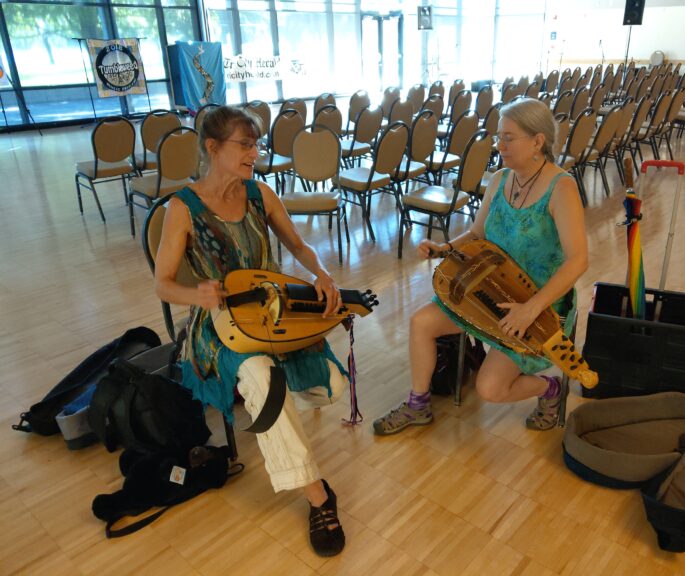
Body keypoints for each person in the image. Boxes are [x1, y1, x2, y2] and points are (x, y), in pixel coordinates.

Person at [154, 106, 346, 557]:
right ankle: (318, 497)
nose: (255, 153)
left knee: (332, 389)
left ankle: (269, 406)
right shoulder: (182, 208)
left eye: (256, 144)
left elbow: (298, 245)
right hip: (219, 322)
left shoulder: (260, 194)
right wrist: (195, 294)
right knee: (263, 379)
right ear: (212, 147)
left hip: (274, 311)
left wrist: (322, 274)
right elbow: (161, 283)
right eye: (245, 144)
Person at [373, 97, 588, 435]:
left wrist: (529, 310)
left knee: (490, 389)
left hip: (535, 305)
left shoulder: (561, 189)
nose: (499, 145)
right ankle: (418, 405)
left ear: (537, 141)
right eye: (498, 137)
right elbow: (476, 232)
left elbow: (578, 260)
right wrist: (443, 249)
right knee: (421, 323)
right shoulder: (501, 179)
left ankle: (549, 389)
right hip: (485, 289)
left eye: (508, 137)